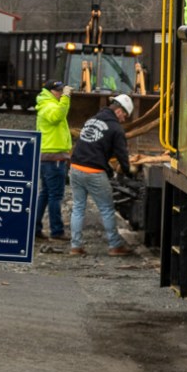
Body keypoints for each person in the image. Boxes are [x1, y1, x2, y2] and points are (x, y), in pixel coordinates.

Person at [68, 93, 134, 256]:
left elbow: (91, 146)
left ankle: (75, 246)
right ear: (119, 110)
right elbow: (122, 155)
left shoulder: (91, 120)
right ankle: (115, 245)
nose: (124, 119)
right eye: (124, 115)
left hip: (75, 167)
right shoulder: (116, 129)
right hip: (94, 172)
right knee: (106, 208)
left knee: (78, 208)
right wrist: (127, 173)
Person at [34, 79, 73, 243]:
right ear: (50, 91)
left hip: (48, 157)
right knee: (55, 195)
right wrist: (66, 99)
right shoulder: (49, 106)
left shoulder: (46, 104)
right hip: (53, 157)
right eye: (58, 91)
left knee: (45, 193)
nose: (60, 93)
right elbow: (57, 117)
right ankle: (56, 230)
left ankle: (35, 228)